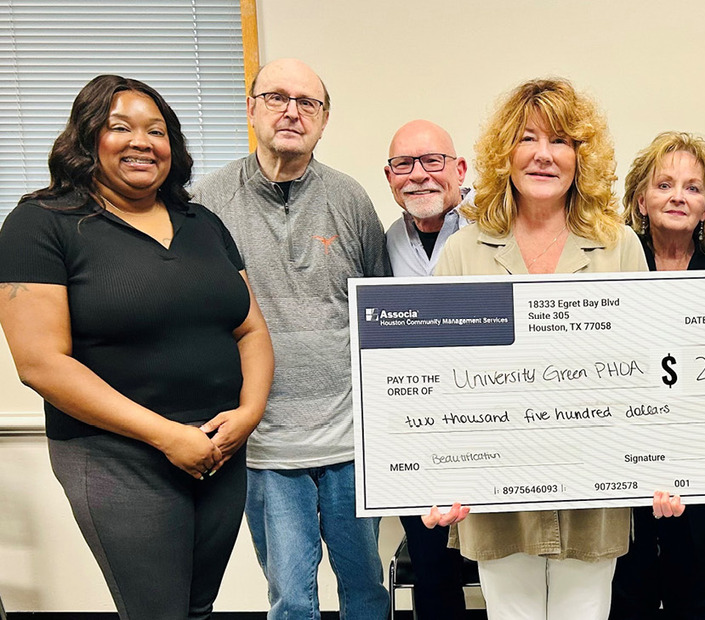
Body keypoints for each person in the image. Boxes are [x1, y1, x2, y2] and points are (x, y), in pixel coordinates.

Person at [0, 75, 273, 619]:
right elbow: (40, 363)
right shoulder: (40, 225)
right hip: (117, 456)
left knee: (197, 607)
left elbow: (251, 330)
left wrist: (249, 414)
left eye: (158, 130)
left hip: (219, 450)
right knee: (157, 612)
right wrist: (167, 436)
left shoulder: (203, 224)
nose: (142, 142)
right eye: (120, 127)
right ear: (86, 138)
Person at [429, 77, 646, 620]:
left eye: (562, 141)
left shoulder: (619, 246)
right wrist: (434, 475)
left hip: (592, 487)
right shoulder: (463, 249)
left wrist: (664, 466)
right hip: (495, 488)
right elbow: (435, 375)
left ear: (581, 155)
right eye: (527, 139)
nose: (543, 155)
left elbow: (646, 368)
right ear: (506, 153)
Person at [193, 58, 390, 618]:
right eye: (277, 97)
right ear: (252, 107)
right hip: (266, 446)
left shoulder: (350, 200)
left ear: (324, 121)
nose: (291, 111)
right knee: (290, 598)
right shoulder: (206, 204)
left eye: (308, 103)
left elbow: (377, 312)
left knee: (367, 590)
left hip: (351, 442)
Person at [610, 131, 705, 619]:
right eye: (664, 184)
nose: (677, 197)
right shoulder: (613, 266)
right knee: (629, 600)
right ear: (641, 200)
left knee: (699, 601)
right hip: (629, 477)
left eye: (692, 187)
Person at [384, 119, 471, 620]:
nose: (418, 175)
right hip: (420, 432)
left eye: (432, 161)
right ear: (390, 178)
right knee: (434, 573)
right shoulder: (386, 241)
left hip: (490, 420)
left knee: (509, 564)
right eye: (404, 165)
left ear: (459, 168)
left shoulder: (497, 228)